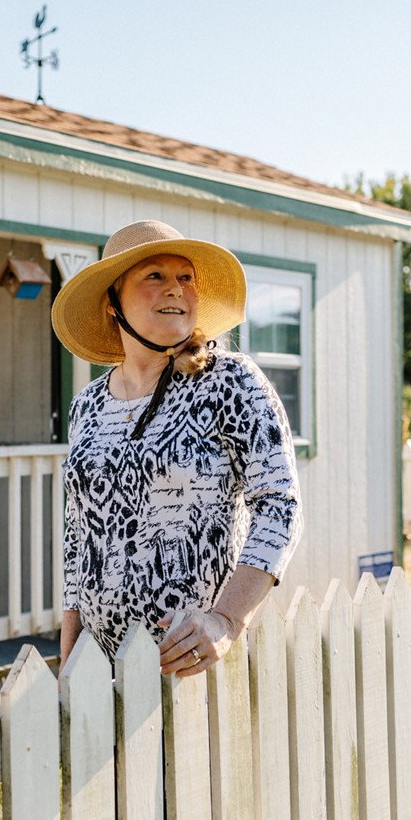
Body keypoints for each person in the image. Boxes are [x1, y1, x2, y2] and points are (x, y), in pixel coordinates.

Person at [51, 220, 302, 678]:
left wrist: (225, 620)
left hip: (191, 665)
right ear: (112, 303)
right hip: (100, 671)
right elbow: (77, 539)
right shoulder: (86, 406)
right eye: (155, 276)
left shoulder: (229, 382)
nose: (176, 290)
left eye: (185, 277)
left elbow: (280, 507)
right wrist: (68, 661)